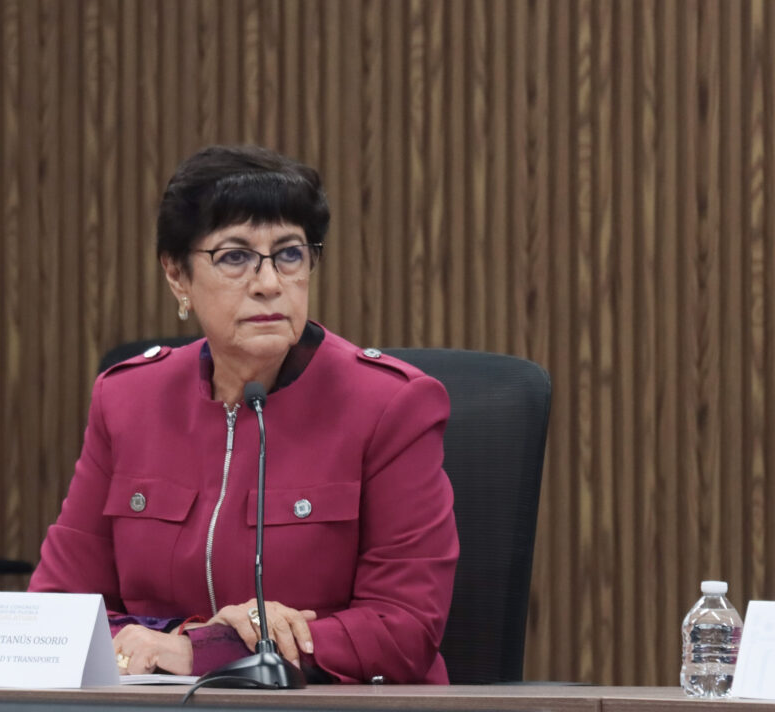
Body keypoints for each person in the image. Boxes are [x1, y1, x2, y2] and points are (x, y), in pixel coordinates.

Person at [28, 145, 458, 683]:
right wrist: (182, 640)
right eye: (235, 257)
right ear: (177, 275)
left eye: (289, 254)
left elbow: (404, 629)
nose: (269, 282)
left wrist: (209, 652)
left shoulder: (390, 406)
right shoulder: (127, 400)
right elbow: (59, 612)